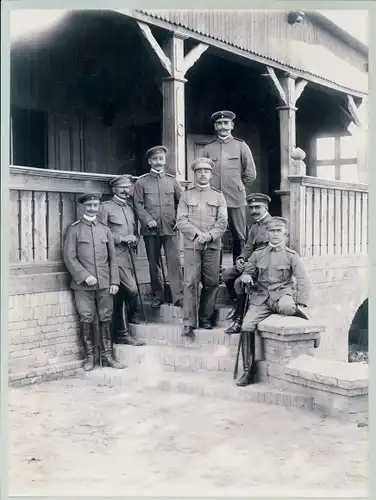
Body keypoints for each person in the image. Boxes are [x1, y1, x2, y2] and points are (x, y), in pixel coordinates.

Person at [236, 216, 311, 387]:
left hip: (282, 295)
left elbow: (303, 280)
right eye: (272, 231)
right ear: (267, 233)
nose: (275, 234)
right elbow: (248, 271)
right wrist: (246, 276)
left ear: (285, 234)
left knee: (287, 307)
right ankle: (248, 371)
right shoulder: (258, 254)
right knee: (247, 326)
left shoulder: (292, 256)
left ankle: (302, 316)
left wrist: (302, 303)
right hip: (261, 298)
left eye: (279, 231)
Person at [63, 192, 125, 371]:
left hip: (105, 284)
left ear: (99, 207)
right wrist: (84, 276)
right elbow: (69, 257)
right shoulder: (74, 229)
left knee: (106, 317)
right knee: (87, 317)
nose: (92, 208)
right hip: (82, 286)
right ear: (84, 206)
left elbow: (113, 259)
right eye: (89, 205)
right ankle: (89, 357)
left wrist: (115, 282)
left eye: (95, 205)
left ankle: (107, 356)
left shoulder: (105, 229)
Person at [176, 157, 228, 337]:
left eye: (206, 171)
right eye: (199, 171)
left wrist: (209, 236)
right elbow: (181, 220)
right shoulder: (186, 195)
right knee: (190, 283)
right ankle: (188, 323)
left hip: (212, 247)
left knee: (211, 283)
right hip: (192, 246)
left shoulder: (218, 196)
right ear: (195, 174)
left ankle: (205, 319)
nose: (203, 174)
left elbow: (222, 222)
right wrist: (198, 235)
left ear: (211, 174)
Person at [203, 110, 257, 264]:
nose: (223, 126)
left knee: (239, 236)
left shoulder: (241, 146)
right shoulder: (208, 148)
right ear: (215, 126)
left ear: (232, 125)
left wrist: (239, 187)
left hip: (236, 198)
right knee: (214, 235)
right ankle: (216, 272)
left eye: (226, 123)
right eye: (219, 123)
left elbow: (250, 173)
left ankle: (237, 270)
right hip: (213, 199)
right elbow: (201, 172)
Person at [133, 145, 184, 308]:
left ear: (165, 160)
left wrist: (178, 220)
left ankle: (178, 296)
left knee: (174, 262)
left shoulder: (172, 181)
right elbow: (138, 204)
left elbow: (181, 203)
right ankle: (158, 295)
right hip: (151, 229)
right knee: (153, 263)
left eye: (160, 158)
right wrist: (147, 220)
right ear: (149, 161)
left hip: (170, 227)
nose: (158, 162)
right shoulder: (141, 182)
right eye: (154, 159)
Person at [98, 175, 145, 347]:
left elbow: (136, 231)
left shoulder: (130, 208)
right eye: (122, 187)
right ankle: (128, 324)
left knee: (121, 295)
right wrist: (122, 238)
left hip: (130, 257)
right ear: (114, 189)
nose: (126, 191)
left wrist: (135, 240)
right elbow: (101, 232)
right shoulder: (106, 208)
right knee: (131, 290)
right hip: (114, 258)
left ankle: (122, 333)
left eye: (128, 187)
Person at [223, 193, 272, 334]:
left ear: (266, 207)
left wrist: (248, 267)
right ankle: (238, 303)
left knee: (239, 282)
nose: (254, 211)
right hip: (251, 264)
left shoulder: (272, 225)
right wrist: (240, 259)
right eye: (251, 208)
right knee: (227, 275)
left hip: (264, 267)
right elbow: (249, 247)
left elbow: (266, 253)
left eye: (258, 207)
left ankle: (239, 320)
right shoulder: (255, 226)